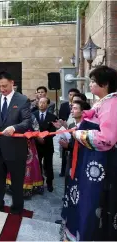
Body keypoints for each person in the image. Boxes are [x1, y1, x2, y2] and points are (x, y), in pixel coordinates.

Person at [60, 66, 117, 241]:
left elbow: (106, 138)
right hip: (93, 160)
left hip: (103, 162)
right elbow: (93, 114)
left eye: (93, 81)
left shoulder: (111, 104)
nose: (90, 84)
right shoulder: (103, 102)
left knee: (96, 201)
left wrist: (79, 134)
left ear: (105, 83)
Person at [0, 71, 31, 214]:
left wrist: (14, 127)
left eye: (5, 86)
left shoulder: (22, 100)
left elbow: (27, 122)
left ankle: (17, 209)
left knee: (17, 182)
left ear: (12, 83)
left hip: (15, 149)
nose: (2, 89)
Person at [6, 114, 44, 199]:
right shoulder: (13, 113)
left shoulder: (32, 116)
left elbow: (37, 130)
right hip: (15, 143)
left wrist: (35, 134)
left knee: (29, 166)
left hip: (29, 144)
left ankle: (28, 188)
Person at [34, 97, 58, 192]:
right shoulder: (33, 115)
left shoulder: (52, 117)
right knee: (38, 165)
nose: (42, 104)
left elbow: (53, 131)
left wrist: (44, 138)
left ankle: (49, 183)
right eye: (40, 102)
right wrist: (37, 138)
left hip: (48, 144)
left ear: (47, 105)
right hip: (36, 144)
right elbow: (31, 129)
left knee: (49, 165)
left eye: (44, 103)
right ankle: (40, 183)